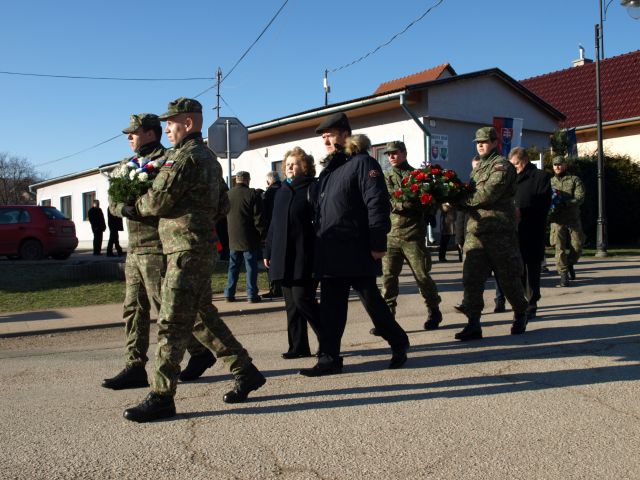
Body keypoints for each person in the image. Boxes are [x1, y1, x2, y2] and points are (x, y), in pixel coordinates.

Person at [121, 98, 265, 423]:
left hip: (184, 250)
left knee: (171, 322)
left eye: (170, 123)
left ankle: (162, 396)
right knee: (204, 316)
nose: (166, 129)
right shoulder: (210, 158)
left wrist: (133, 206)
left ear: (187, 123)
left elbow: (158, 200)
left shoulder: (184, 158)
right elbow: (223, 205)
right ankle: (245, 371)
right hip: (197, 247)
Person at [102, 113, 214, 391]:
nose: (129, 137)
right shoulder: (126, 165)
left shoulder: (168, 161)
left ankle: (200, 352)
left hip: (158, 246)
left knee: (167, 309)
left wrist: (141, 206)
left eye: (134, 132)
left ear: (150, 133)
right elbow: (112, 201)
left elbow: (167, 200)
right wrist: (123, 208)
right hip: (134, 249)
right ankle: (134, 366)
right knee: (133, 309)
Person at [300, 113, 410, 377]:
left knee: (372, 302)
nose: (325, 140)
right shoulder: (330, 169)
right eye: (323, 137)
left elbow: (377, 202)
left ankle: (398, 342)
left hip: (357, 247)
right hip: (331, 251)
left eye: (329, 135)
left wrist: (378, 242)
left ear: (345, 134)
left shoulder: (363, 163)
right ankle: (329, 359)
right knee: (331, 308)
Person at [450, 127, 529, 340]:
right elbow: (470, 192)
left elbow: (486, 195)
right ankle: (473, 323)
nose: (480, 145)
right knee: (471, 278)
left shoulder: (503, 166)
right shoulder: (478, 169)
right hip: (476, 231)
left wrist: (459, 200)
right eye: (478, 142)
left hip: (499, 232)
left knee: (508, 279)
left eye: (484, 141)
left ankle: (520, 312)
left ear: (495, 142)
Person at [378, 140, 442, 334]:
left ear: (404, 153)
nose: (391, 156)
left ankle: (434, 310)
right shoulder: (386, 176)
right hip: (391, 235)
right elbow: (389, 201)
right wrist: (410, 203)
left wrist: (420, 203)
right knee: (388, 278)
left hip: (413, 235)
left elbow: (429, 203)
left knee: (422, 276)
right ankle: (387, 319)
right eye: (388, 154)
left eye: (395, 153)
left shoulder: (418, 176)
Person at [264, 147, 320, 358]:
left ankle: (328, 340)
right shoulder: (281, 191)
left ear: (304, 166)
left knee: (303, 299)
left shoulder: (312, 188)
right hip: (282, 255)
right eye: (287, 164)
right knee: (291, 305)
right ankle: (298, 347)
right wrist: (268, 250)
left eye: (294, 163)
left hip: (304, 253)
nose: (289, 167)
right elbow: (274, 225)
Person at [494, 147, 551, 319]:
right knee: (517, 268)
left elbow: (543, 204)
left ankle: (532, 303)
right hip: (514, 230)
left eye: (517, 164)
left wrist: (523, 212)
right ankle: (521, 303)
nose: (514, 167)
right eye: (512, 165)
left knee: (532, 268)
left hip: (532, 229)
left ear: (525, 160)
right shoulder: (510, 178)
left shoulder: (541, 177)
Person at [224, 171, 266, 303]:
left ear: (236, 180)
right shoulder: (252, 194)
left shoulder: (228, 194)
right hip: (249, 237)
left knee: (233, 265)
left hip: (233, 236)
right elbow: (258, 218)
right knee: (251, 266)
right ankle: (251, 294)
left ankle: (229, 293)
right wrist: (262, 234)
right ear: (248, 180)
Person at [549, 156, 585, 287]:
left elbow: (580, 197)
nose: (557, 167)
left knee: (578, 245)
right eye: (555, 165)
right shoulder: (550, 182)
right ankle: (563, 275)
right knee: (559, 248)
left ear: (565, 165)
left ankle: (570, 263)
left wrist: (566, 203)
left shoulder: (574, 180)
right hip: (557, 220)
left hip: (572, 218)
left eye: (560, 164)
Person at [262, 171, 283, 299]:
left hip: (271, 228)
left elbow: (264, 213)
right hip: (284, 228)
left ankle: (275, 288)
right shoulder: (284, 189)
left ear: (268, 181)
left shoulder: (268, 193)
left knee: (270, 259)